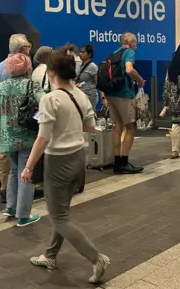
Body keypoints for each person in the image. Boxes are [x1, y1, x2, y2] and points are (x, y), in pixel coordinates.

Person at [23, 49, 110, 284]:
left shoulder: (49, 99)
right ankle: (50, 255)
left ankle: (96, 258)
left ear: (51, 72)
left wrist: (28, 166)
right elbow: (91, 127)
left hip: (57, 162)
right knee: (62, 212)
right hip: (77, 159)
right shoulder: (80, 95)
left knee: (59, 217)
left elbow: (43, 138)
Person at [0, 53, 45, 227]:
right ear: (27, 68)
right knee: (27, 173)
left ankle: (11, 207)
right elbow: (45, 104)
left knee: (14, 170)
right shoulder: (32, 85)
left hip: (5, 136)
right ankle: (23, 215)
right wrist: (37, 119)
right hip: (26, 136)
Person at [0, 34, 32, 202]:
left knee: (5, 157)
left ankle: (5, 190)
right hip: (19, 121)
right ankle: (21, 200)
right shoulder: (24, 65)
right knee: (22, 162)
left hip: (2, 121)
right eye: (28, 46)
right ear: (23, 49)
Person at [104, 32, 145, 174]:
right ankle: (124, 161)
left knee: (118, 127)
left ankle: (117, 161)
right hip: (124, 94)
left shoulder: (114, 53)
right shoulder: (128, 52)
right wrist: (139, 80)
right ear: (130, 42)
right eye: (136, 42)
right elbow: (129, 69)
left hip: (111, 94)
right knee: (131, 127)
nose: (136, 45)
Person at [76, 44, 100, 109]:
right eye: (80, 52)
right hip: (80, 95)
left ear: (89, 54)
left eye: (83, 52)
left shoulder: (93, 66)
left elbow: (98, 83)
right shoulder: (79, 66)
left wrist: (103, 98)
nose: (80, 53)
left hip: (90, 96)